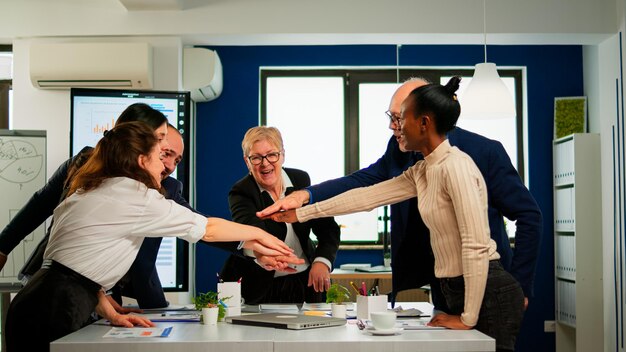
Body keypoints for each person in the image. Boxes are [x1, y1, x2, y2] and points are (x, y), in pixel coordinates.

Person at [264, 77, 525, 351]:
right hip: (456, 290)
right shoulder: (423, 170)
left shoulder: (456, 166)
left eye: (401, 119)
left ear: (424, 123)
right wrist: (301, 213)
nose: (394, 127)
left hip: (488, 293)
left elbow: (475, 246)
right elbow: (367, 197)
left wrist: (468, 318)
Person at [4, 121, 300, 352]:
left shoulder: (93, 185)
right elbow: (206, 228)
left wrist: (105, 306)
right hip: (53, 309)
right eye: (162, 157)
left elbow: (73, 265)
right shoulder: (136, 195)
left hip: (37, 301)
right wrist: (260, 236)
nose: (167, 167)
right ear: (141, 159)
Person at [220, 126, 341, 304]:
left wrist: (322, 261)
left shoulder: (301, 180)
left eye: (271, 154)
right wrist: (265, 255)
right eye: (256, 157)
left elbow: (327, 228)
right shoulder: (241, 191)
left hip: (304, 278)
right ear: (247, 161)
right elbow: (250, 233)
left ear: (282, 155)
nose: (265, 163)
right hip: (262, 282)